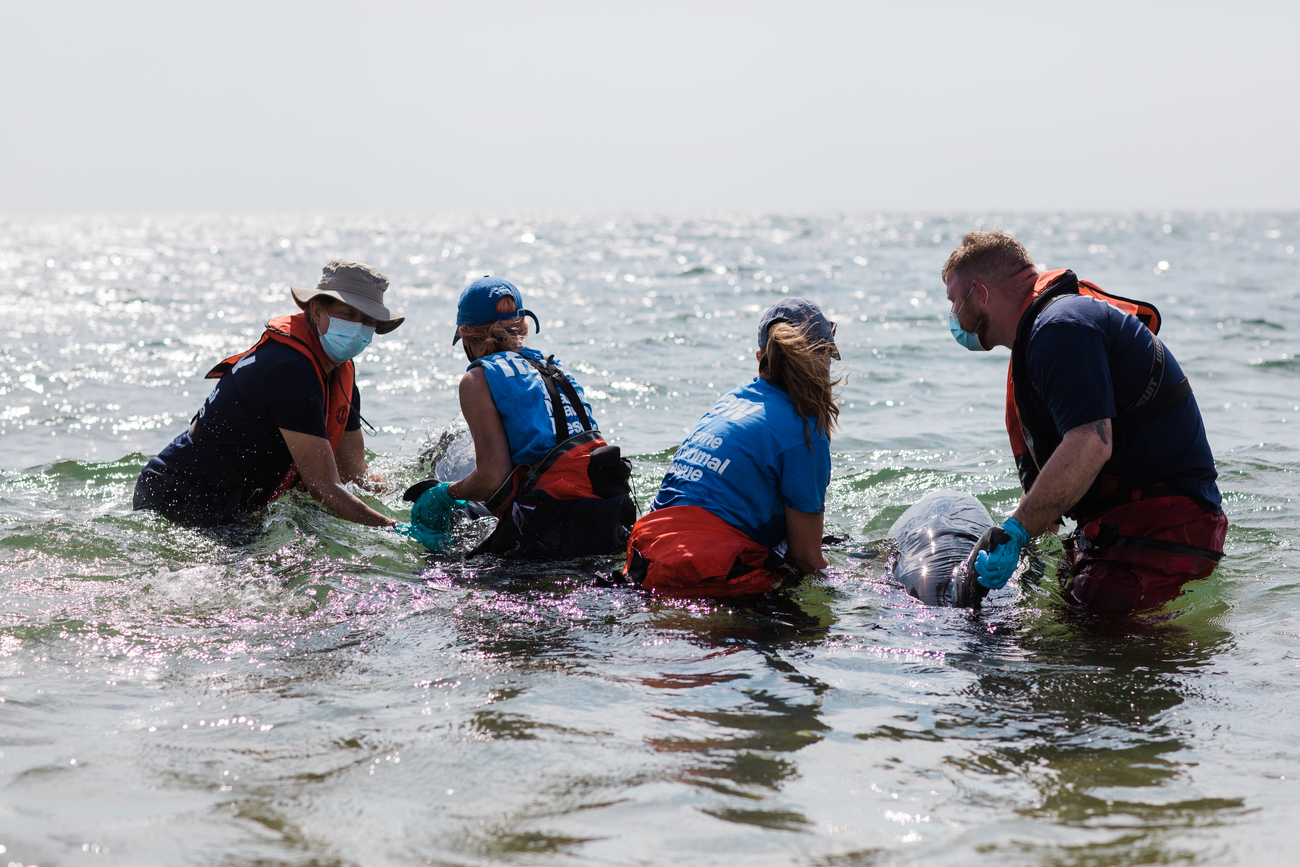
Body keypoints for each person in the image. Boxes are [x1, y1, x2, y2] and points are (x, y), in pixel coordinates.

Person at [941, 230, 1227, 612]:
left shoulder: (1059, 328)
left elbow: (1091, 443)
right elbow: (1062, 471)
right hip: (1133, 517)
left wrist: (1016, 529)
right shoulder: (1045, 331)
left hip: (1165, 520)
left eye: (954, 301)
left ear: (979, 293)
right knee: (1060, 610)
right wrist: (1021, 546)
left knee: (1092, 640)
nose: (954, 316)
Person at [133, 259, 402, 529]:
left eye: (368, 320)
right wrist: (395, 530)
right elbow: (324, 488)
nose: (359, 327)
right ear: (318, 311)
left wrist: (416, 491)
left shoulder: (340, 377)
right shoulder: (289, 369)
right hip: (177, 496)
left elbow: (355, 476)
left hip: (235, 505)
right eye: (349, 313)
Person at [403, 276, 635, 557]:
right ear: (522, 326)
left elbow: (491, 478)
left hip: (554, 526)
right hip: (609, 513)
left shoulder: (476, 379)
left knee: (437, 569)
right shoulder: (555, 368)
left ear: (465, 333)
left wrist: (444, 494)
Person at [624, 299, 841, 598]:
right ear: (825, 355)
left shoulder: (727, 404)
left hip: (644, 563)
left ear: (759, 359)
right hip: (710, 576)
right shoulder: (804, 431)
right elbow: (806, 559)